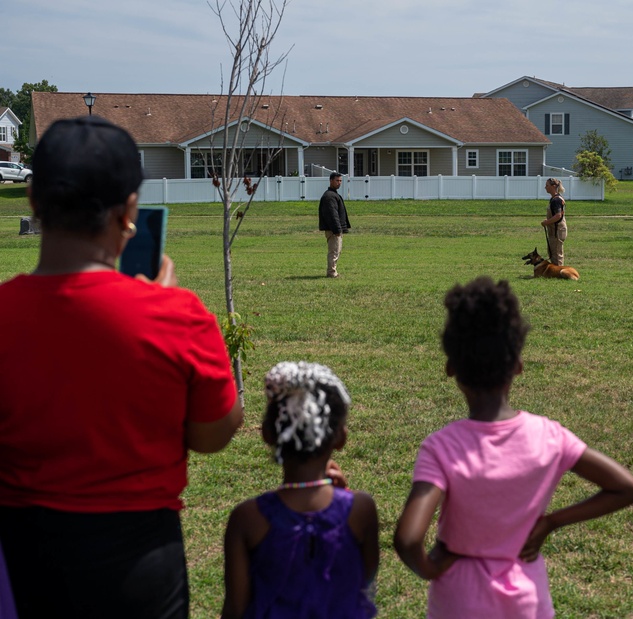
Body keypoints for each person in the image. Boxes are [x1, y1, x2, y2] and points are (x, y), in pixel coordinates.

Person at [0, 116, 244, 618]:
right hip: (139, 563)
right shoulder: (178, 315)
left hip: (18, 559)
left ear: (33, 201)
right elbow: (214, 434)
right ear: (129, 208)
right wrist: (159, 310)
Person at [394, 276, 633, 618]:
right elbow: (627, 488)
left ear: (451, 368)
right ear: (518, 367)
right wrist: (551, 522)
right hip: (528, 596)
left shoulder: (441, 447)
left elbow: (408, 539)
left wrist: (428, 568)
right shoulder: (550, 436)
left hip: (458, 598)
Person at [222, 361, 378, 619]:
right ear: (341, 437)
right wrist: (345, 495)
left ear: (268, 434)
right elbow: (364, 578)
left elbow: (235, 611)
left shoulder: (247, 519)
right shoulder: (361, 510)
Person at [318, 171, 351, 278]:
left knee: (336, 251)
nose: (339, 183)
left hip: (335, 229)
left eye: (340, 181)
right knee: (334, 252)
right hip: (333, 230)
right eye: (337, 180)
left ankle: (333, 271)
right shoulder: (329, 196)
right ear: (331, 181)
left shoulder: (333, 195)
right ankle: (332, 273)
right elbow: (332, 215)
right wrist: (337, 230)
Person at [540, 178, 567, 265]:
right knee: (553, 252)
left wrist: (546, 222)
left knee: (557, 253)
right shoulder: (555, 199)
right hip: (555, 230)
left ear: (553, 186)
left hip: (557, 231)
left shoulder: (556, 200)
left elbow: (558, 215)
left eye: (547, 185)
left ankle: (559, 272)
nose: (545, 187)